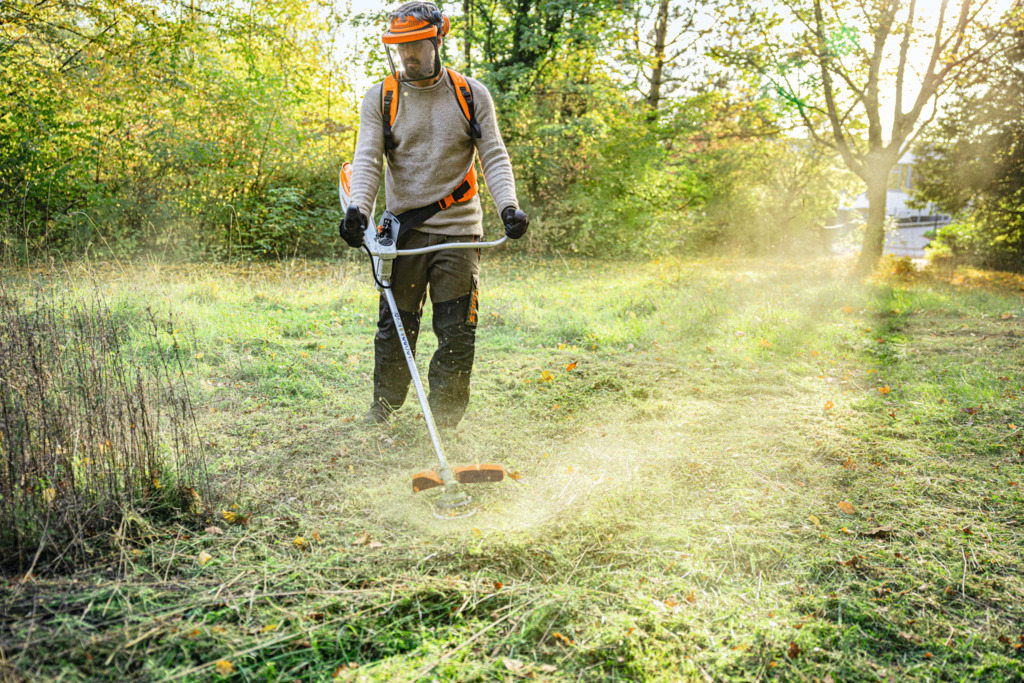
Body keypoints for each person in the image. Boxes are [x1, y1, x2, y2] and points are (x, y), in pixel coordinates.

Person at [340, 1, 529, 429]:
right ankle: (384, 406)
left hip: (459, 229)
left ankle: (444, 419)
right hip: (402, 232)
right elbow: (368, 161)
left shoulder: (471, 94)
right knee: (396, 327)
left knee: (457, 330)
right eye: (399, 46)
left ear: (437, 39)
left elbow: (494, 157)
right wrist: (358, 212)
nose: (406, 55)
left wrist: (509, 208)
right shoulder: (382, 97)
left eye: (414, 45)